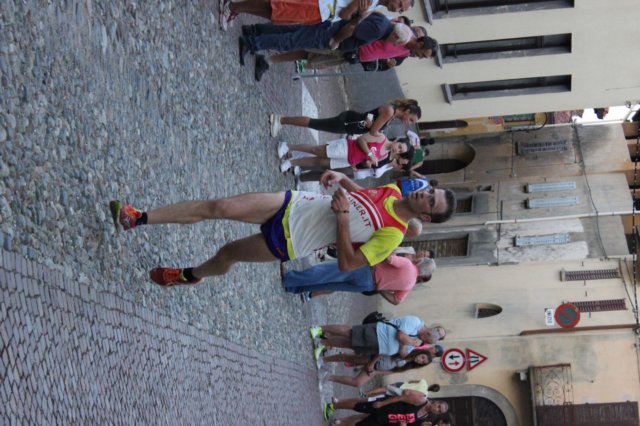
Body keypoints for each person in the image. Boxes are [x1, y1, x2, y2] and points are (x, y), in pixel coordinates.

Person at [108, 170, 456, 286]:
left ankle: (188, 275)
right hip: (294, 204)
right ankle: (137, 217)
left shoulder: (392, 235)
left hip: (293, 240)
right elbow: (362, 196)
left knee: (227, 253)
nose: (425, 194)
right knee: (220, 207)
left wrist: (343, 218)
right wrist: (343, 178)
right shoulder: (393, 189)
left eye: (430, 201)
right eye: (430, 191)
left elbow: (348, 264)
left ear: (425, 217)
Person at [239, 11, 397, 80]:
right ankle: (251, 43)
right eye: (399, 6)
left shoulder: (383, 22)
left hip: (333, 26)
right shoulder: (380, 28)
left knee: (292, 32)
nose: (397, 10)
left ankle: (254, 32)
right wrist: (336, 40)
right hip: (332, 33)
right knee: (291, 41)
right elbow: (352, 28)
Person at [282, 254, 435, 303]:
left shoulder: (408, 264)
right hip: (368, 286)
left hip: (366, 270)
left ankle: (290, 278)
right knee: (330, 285)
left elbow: (388, 258)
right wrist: (381, 288)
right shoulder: (410, 285)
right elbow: (396, 301)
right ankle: (294, 288)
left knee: (326, 272)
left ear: (421, 262)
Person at [270, 98, 421, 138]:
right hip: (349, 122)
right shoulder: (389, 111)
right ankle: (281, 120)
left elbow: (373, 127)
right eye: (411, 119)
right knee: (314, 123)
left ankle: (283, 120)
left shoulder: (391, 116)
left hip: (350, 124)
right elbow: (373, 131)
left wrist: (373, 127)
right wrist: (381, 136)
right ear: (407, 111)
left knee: (315, 124)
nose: (409, 123)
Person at [220, 0, 414, 30]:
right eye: (399, 4)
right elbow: (346, 15)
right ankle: (234, 6)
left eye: (400, 9)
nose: (396, 9)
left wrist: (360, 15)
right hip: (320, 6)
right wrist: (360, 14)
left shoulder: (375, 4)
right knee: (275, 7)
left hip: (323, 13)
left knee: (276, 14)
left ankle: (238, 7)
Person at [310, 316, 446, 358]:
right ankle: (320, 329)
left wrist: (406, 344)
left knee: (350, 344)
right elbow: (400, 335)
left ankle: (323, 343)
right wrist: (410, 342)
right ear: (428, 333)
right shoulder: (415, 322)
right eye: (426, 340)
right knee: (350, 333)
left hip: (379, 347)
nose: (423, 342)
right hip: (378, 333)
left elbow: (404, 354)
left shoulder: (418, 338)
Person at [277, 137, 413, 175]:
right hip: (346, 148)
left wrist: (367, 163)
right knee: (316, 150)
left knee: (318, 163)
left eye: (400, 151)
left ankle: (291, 163)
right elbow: (361, 139)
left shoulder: (385, 156)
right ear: (397, 141)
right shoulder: (381, 138)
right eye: (399, 146)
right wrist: (370, 153)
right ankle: (288, 146)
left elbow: (366, 162)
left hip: (348, 161)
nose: (397, 150)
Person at [324, 346, 443, 388]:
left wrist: (376, 372)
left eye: (423, 362)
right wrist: (372, 362)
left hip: (376, 368)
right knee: (350, 358)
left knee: (358, 383)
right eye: (422, 357)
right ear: (421, 353)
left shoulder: (409, 365)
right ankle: (325, 360)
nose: (420, 360)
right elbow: (386, 350)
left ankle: (329, 377)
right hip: (373, 358)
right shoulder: (407, 350)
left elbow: (392, 371)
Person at [323, 397, 449, 425]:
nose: (437, 409)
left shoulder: (426, 416)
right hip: (384, 407)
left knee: (361, 424)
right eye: (439, 406)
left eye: (439, 411)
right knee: (358, 406)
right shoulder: (421, 400)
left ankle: (338, 424)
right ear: (436, 402)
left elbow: (407, 421)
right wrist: (383, 402)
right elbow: (401, 397)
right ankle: (334, 406)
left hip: (384, 421)